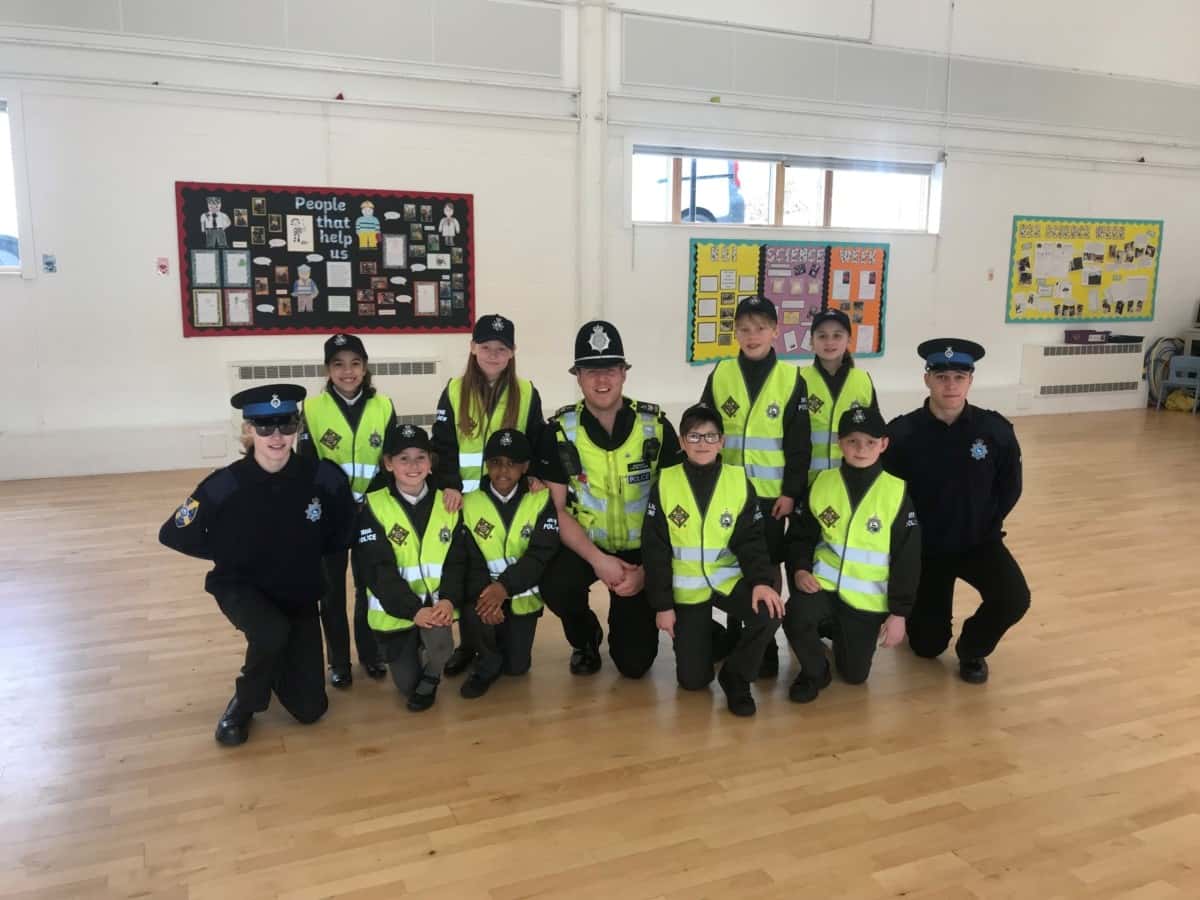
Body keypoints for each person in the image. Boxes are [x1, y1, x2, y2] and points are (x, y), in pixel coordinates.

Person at [158, 384, 355, 746]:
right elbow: (174, 533)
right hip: (243, 587)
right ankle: (243, 704)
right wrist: (229, 552)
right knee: (270, 632)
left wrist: (308, 551)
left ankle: (275, 662)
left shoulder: (322, 477)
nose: (276, 437)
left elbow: (343, 528)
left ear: (297, 428)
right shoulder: (225, 484)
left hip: (297, 592)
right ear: (249, 430)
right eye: (265, 427)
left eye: (286, 425)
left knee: (311, 710)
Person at [537, 320, 682, 678]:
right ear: (578, 377)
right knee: (556, 584)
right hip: (588, 545)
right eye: (591, 371)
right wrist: (599, 561)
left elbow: (678, 506)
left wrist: (647, 571)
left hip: (643, 551)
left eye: (610, 370)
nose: (602, 380)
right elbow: (556, 509)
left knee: (634, 666)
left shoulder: (656, 427)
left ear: (624, 373)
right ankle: (585, 639)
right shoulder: (559, 431)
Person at [882, 338, 1030, 684]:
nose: (950, 385)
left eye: (959, 377)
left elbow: (1010, 487)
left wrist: (983, 520)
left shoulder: (994, 430)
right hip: (926, 550)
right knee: (926, 646)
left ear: (970, 381)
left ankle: (973, 648)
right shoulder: (902, 433)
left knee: (1014, 598)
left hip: (977, 542)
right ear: (927, 380)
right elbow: (887, 495)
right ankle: (926, 623)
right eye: (941, 377)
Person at [643, 405, 784, 716]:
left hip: (726, 580)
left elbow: (751, 541)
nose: (702, 443)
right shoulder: (665, 483)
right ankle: (712, 639)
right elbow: (655, 551)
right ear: (682, 442)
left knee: (769, 612)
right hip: (687, 589)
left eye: (710, 436)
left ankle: (736, 677)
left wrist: (761, 582)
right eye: (694, 436)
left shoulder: (738, 481)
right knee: (693, 681)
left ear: (722, 441)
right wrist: (663, 606)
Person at [700, 295, 810, 676]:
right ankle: (739, 633)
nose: (752, 335)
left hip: (770, 497)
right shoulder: (721, 374)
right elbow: (704, 428)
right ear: (735, 333)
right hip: (729, 494)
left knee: (766, 565)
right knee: (735, 562)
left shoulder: (791, 379)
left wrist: (790, 492)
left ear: (775, 331)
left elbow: (799, 444)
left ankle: (765, 642)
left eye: (761, 328)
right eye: (744, 329)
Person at [432, 313, 546, 677]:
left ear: (512, 352)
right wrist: (450, 482)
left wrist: (536, 474)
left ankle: (498, 634)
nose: (493, 355)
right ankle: (468, 645)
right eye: (486, 347)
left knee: (501, 562)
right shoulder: (454, 390)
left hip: (508, 497)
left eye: (501, 349)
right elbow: (443, 445)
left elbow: (537, 439)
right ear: (472, 348)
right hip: (465, 501)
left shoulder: (526, 392)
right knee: (468, 572)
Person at [784, 406, 921, 702]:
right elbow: (800, 535)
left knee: (855, 676)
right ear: (839, 443)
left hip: (865, 599)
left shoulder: (896, 493)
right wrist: (800, 569)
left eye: (871, 442)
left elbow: (907, 559)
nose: (861, 449)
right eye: (852, 441)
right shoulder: (822, 482)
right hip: (824, 586)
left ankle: (842, 631)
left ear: (883, 444)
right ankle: (815, 671)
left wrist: (899, 613)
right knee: (795, 615)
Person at [297, 333, 394, 688]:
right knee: (332, 591)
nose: (347, 371)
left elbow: (390, 460)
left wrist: (376, 499)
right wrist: (328, 503)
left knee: (369, 586)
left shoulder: (383, 406)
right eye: (338, 364)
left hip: (371, 512)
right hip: (331, 516)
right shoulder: (312, 409)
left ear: (365, 368)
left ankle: (371, 653)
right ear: (328, 370)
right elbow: (308, 465)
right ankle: (338, 661)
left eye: (355, 363)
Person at [353, 423, 460, 711]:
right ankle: (414, 648)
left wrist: (448, 599)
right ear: (388, 463)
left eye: (420, 457)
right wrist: (414, 610)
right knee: (407, 685)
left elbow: (457, 561)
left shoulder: (448, 504)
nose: (413, 466)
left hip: (436, 606)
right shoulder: (373, 506)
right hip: (396, 612)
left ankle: (433, 670)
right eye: (403, 458)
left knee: (441, 650)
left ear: (430, 462)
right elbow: (378, 570)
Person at [450, 428, 560, 699]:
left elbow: (540, 554)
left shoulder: (541, 499)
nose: (503, 470)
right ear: (486, 465)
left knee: (516, 668)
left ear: (525, 467)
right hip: (484, 594)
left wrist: (504, 588)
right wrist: (488, 596)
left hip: (522, 595)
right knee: (476, 615)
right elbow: (468, 560)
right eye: (496, 462)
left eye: (512, 463)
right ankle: (485, 662)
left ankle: (496, 649)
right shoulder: (470, 503)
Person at [799, 308, 880, 482]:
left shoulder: (862, 380)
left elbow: (873, 433)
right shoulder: (799, 379)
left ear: (849, 339)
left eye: (837, 335)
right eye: (822, 336)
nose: (829, 342)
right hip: (807, 480)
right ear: (812, 341)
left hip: (849, 479)